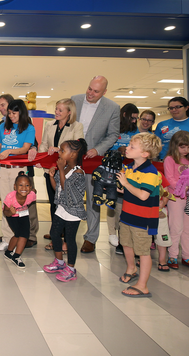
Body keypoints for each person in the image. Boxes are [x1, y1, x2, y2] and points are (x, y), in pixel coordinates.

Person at [71, 76, 121, 253]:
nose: (91, 93)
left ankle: (91, 238)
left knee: (93, 200)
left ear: (104, 92)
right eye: (90, 89)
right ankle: (67, 234)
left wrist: (98, 149)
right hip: (72, 159)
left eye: (96, 91)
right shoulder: (74, 100)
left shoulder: (113, 108)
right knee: (70, 197)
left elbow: (113, 135)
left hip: (93, 161)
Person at [115, 133, 163, 298]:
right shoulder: (128, 168)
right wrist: (117, 185)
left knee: (143, 251)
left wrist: (126, 183)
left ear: (145, 154)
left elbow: (143, 195)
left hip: (143, 219)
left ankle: (143, 286)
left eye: (132, 147)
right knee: (126, 244)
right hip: (127, 214)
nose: (127, 148)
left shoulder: (151, 172)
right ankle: (131, 268)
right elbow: (123, 190)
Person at [38, 98, 83, 246]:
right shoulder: (49, 125)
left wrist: (58, 149)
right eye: (56, 109)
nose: (56, 112)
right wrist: (41, 158)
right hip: (51, 170)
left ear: (69, 112)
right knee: (54, 202)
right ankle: (55, 235)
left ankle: (65, 239)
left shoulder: (77, 126)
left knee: (67, 204)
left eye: (60, 110)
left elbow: (78, 147)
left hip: (68, 172)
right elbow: (44, 144)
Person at [0, 98, 37, 252]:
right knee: (7, 204)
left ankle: (19, 236)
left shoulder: (29, 128)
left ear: (21, 112)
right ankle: (6, 238)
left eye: (14, 113)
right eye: (9, 113)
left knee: (20, 205)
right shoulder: (3, 126)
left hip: (19, 171)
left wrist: (9, 151)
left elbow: (25, 149)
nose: (10, 116)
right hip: (2, 170)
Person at [43, 139, 87, 282]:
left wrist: (60, 169)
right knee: (54, 233)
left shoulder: (79, 173)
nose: (59, 153)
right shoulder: (65, 168)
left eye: (62, 151)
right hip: (61, 207)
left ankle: (71, 269)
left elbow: (68, 191)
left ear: (73, 154)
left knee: (69, 239)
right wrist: (52, 176)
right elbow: (58, 189)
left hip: (73, 211)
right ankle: (59, 262)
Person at [163, 131, 189, 272]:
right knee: (175, 228)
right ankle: (173, 256)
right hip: (176, 198)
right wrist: (185, 187)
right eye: (182, 147)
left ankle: (187, 256)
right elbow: (170, 179)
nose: (186, 150)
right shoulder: (170, 159)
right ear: (175, 146)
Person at [106, 103, 140, 251]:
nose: (134, 121)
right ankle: (112, 232)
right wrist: (117, 149)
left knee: (124, 203)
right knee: (112, 200)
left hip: (130, 171)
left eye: (136, 119)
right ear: (124, 114)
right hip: (113, 168)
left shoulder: (135, 131)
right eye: (132, 118)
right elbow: (105, 144)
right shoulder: (113, 126)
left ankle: (123, 237)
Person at [1, 172, 36, 269]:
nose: (24, 188)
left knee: (24, 235)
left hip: (23, 214)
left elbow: (34, 192)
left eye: (27, 185)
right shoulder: (10, 197)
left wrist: (33, 190)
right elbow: (5, 212)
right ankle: (10, 252)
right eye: (20, 185)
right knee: (18, 234)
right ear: (15, 187)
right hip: (11, 216)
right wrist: (11, 212)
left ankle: (14, 255)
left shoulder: (31, 195)